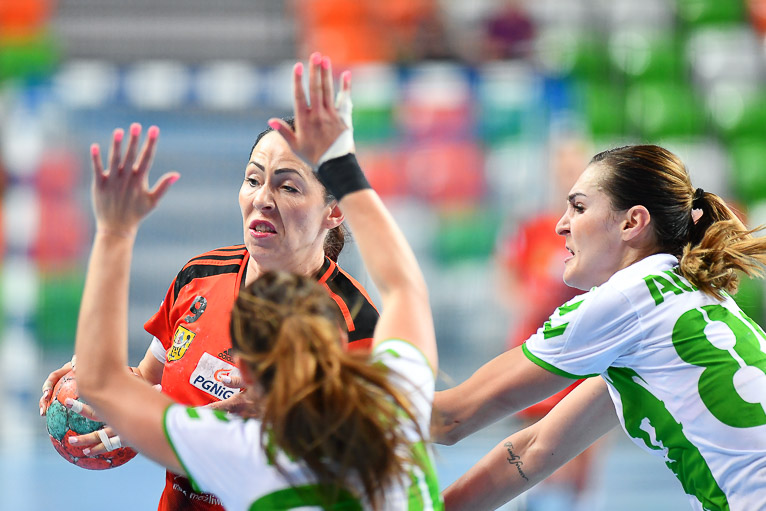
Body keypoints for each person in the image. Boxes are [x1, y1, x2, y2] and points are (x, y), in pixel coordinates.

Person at [70, 52, 442, 510]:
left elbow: (106, 384)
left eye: (288, 186)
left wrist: (114, 230)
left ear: (334, 211)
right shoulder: (199, 276)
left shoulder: (358, 331)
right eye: (252, 179)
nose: (262, 198)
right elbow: (142, 381)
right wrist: (91, 398)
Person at [434, 144, 766, 510]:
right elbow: (536, 449)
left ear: (632, 223)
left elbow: (451, 418)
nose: (561, 225)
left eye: (578, 207)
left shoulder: (625, 299)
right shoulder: (682, 293)